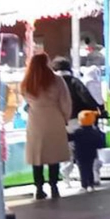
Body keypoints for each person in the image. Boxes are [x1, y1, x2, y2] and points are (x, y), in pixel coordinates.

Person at [20, 53, 72, 199]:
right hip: (54, 118)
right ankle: (54, 186)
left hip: (35, 120)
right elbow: (65, 101)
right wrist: (65, 117)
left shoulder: (26, 82)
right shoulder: (57, 80)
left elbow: (25, 100)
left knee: (37, 155)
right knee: (53, 155)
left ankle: (38, 188)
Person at [68, 110, 107, 192]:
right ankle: (91, 184)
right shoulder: (95, 132)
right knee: (90, 169)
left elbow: (69, 138)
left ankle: (84, 185)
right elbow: (100, 144)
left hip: (80, 154)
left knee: (82, 169)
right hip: (91, 154)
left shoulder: (78, 132)